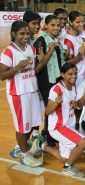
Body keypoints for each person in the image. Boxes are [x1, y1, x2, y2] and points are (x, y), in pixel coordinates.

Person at [0, 21, 43, 167]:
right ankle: (24, 155)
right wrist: (17, 67)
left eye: (27, 33)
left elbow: (33, 70)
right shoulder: (9, 52)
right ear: (13, 34)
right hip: (18, 93)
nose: (25, 36)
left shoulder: (31, 48)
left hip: (31, 90)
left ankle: (21, 148)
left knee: (32, 123)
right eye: (21, 34)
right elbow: (2, 75)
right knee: (21, 126)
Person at [40, 63, 85, 178]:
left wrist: (84, 96)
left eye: (75, 73)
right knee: (83, 142)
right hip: (58, 127)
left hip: (68, 126)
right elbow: (47, 111)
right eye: (70, 74)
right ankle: (68, 168)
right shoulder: (56, 89)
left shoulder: (74, 86)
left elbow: (79, 106)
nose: (74, 76)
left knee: (65, 157)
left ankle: (41, 146)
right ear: (62, 74)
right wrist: (56, 103)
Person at [33, 15, 65, 148]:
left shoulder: (56, 40)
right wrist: (50, 51)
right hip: (46, 81)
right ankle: (47, 134)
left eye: (58, 25)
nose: (56, 28)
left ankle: (51, 133)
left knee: (55, 108)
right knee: (50, 109)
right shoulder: (40, 41)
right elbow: (37, 67)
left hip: (57, 80)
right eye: (53, 25)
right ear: (46, 26)